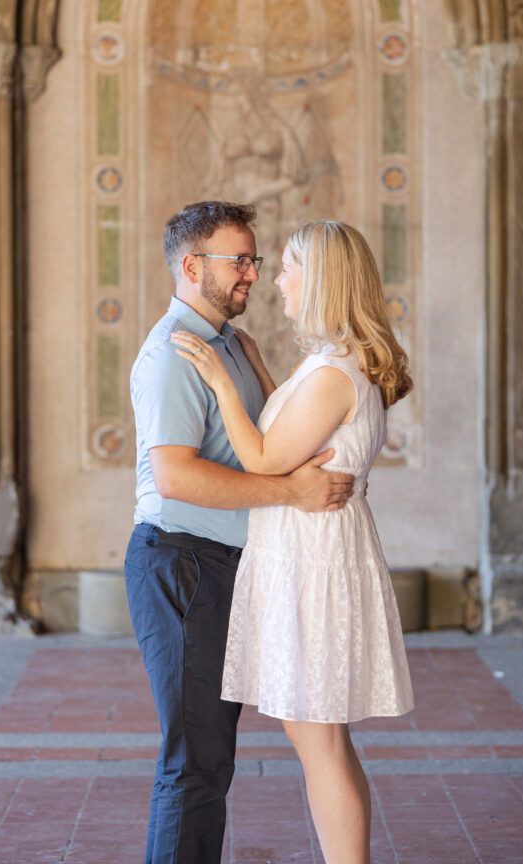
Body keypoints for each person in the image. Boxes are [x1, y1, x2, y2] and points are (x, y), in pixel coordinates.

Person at [172, 220, 415, 864]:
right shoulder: (333, 362)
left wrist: (224, 381)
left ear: (323, 279)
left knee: (320, 744)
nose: (275, 280)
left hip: (313, 560)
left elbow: (261, 459)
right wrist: (254, 365)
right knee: (323, 740)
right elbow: (293, 432)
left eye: (286, 268)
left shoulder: (336, 371)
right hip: (313, 552)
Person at [125, 201, 355, 864]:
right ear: (192, 266)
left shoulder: (232, 342)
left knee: (210, 760)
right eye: (240, 261)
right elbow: (175, 478)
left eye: (255, 260)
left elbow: (274, 441)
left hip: (229, 563)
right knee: (194, 762)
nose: (251, 272)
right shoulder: (174, 354)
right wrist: (291, 493)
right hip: (182, 564)